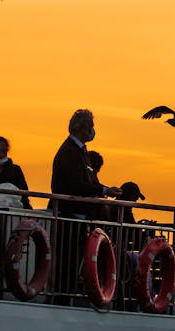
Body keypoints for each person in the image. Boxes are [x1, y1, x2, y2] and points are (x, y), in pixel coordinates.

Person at [50, 110, 121, 297]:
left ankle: (70, 293)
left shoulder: (80, 151)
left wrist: (105, 189)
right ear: (82, 129)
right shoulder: (68, 152)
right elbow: (74, 185)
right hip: (69, 215)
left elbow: (89, 180)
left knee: (75, 260)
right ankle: (63, 296)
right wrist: (103, 191)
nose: (93, 131)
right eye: (90, 127)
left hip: (80, 215)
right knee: (68, 260)